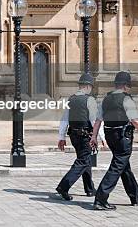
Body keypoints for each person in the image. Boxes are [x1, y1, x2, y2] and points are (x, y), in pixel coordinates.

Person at [91, 71, 138, 211]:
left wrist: (94, 137)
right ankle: (100, 198)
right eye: (128, 86)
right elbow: (134, 120)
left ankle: (135, 197)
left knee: (124, 165)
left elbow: (98, 120)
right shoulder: (126, 99)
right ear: (125, 85)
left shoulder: (105, 99)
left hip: (110, 136)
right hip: (123, 136)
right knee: (118, 165)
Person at [55, 73, 104, 201]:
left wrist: (61, 137)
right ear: (88, 86)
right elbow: (94, 120)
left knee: (85, 160)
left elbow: (64, 119)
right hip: (85, 135)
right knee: (83, 161)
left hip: (74, 136)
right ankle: (63, 186)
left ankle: (89, 189)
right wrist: (101, 137)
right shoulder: (90, 100)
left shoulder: (71, 99)